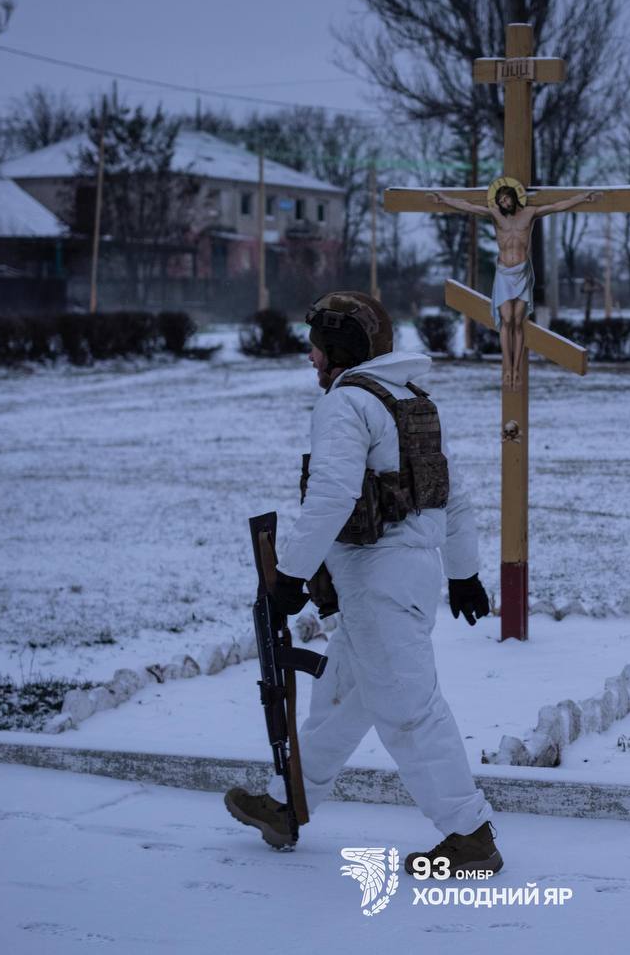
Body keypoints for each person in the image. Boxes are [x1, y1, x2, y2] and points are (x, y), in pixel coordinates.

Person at [224, 290, 501, 877]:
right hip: (404, 578)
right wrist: (463, 574)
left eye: (317, 347)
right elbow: (453, 497)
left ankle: (469, 835)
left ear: (340, 348)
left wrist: (289, 576)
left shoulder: (346, 403)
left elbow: (332, 495)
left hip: (377, 581)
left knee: (409, 711)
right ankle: (286, 804)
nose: (311, 358)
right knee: (342, 700)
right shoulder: (411, 400)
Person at [429, 179, 601, 391]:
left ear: (513, 197)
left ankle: (516, 368)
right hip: (503, 273)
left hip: (522, 273)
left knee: (518, 322)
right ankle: (507, 368)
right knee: (506, 320)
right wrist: (444, 199)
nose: (504, 203)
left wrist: (581, 198)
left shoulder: (530, 213)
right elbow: (469, 207)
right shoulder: (496, 215)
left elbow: (556, 206)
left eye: (506, 199)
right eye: (501, 201)